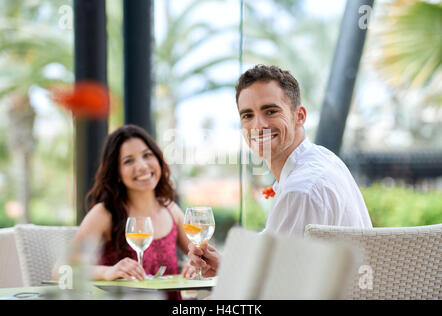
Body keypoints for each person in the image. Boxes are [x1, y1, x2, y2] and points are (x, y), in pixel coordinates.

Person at [186, 64, 373, 278]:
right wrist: (225, 264)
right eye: (247, 115)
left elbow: (278, 286)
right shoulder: (323, 159)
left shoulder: (300, 189)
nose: (258, 125)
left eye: (271, 111)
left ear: (300, 116)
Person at [53, 124, 193, 286]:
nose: (141, 166)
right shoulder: (105, 213)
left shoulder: (171, 210)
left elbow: (204, 259)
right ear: (117, 173)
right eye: (128, 161)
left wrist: (195, 266)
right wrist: (107, 271)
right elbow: (60, 271)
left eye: (147, 155)